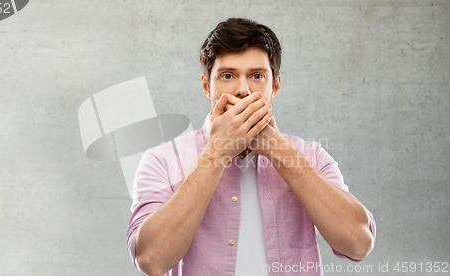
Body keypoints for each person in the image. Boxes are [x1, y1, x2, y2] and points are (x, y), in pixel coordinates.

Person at [127, 18, 376, 276]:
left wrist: (278, 150)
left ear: (275, 85)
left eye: (257, 76)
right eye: (227, 76)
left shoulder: (312, 155)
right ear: (206, 86)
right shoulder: (162, 161)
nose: (243, 90)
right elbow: (150, 260)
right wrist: (217, 151)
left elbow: (358, 243)